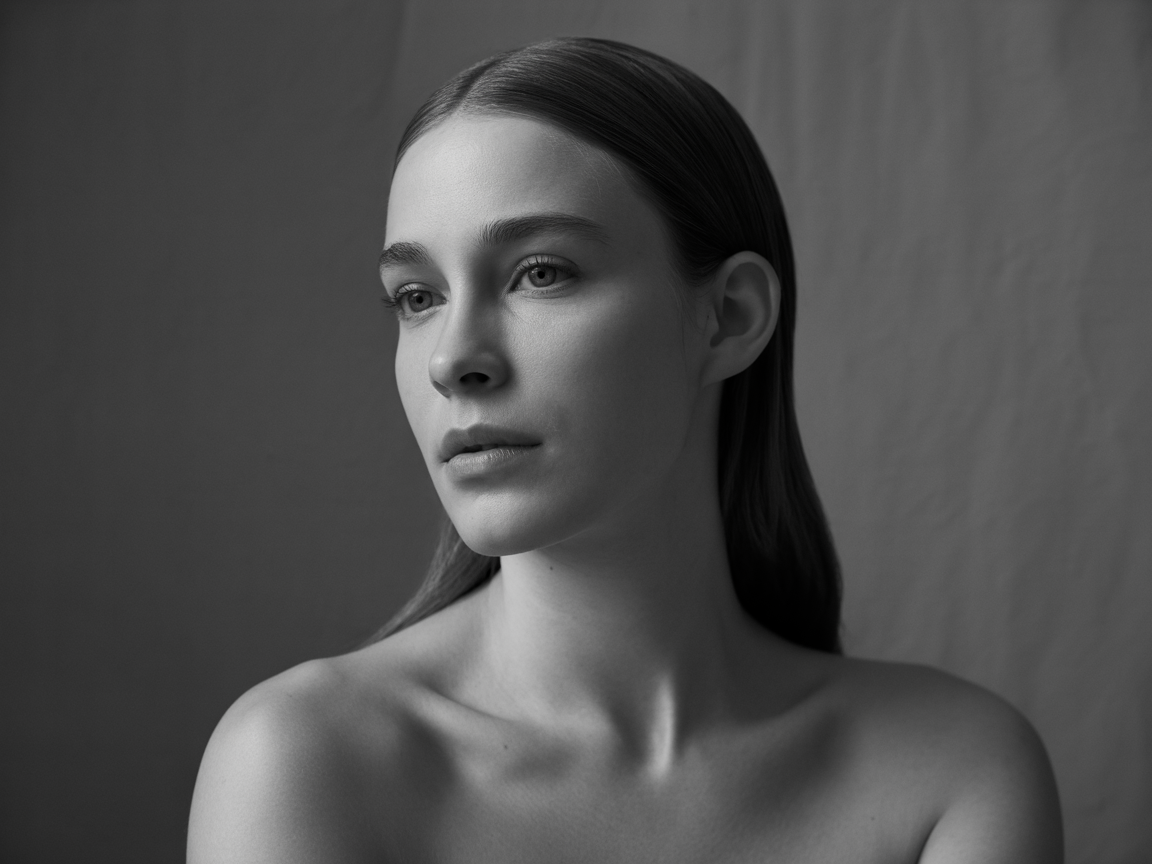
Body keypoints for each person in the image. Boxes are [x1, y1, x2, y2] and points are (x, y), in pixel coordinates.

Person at [187, 37, 1062, 863]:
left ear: (730, 317)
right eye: (416, 296)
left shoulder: (955, 773)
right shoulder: (300, 760)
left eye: (541, 272)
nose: (454, 360)